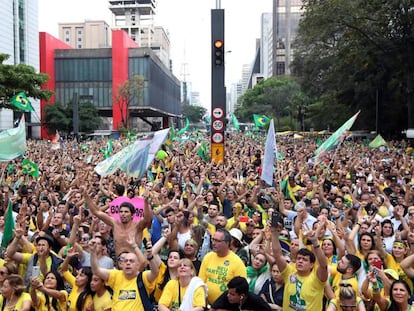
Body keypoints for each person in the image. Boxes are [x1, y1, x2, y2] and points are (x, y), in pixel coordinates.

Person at [271, 215, 328, 310]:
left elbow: (323, 265)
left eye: (305, 260)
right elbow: (278, 255)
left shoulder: (317, 278)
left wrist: (315, 242)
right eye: (299, 258)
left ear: (311, 265)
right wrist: (274, 233)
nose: (300, 261)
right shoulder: (289, 273)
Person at [90, 238, 159, 311]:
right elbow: (96, 271)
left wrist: (150, 256)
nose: (128, 263)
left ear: (138, 265)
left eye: (131, 261)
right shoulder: (116, 275)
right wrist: (92, 253)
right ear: (121, 264)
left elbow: (155, 272)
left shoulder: (143, 277)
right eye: (125, 261)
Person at [198, 229, 247, 305]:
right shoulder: (208, 257)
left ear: (227, 243)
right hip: (206, 304)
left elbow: (241, 290)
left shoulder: (237, 262)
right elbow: (200, 282)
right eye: (213, 239)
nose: (213, 243)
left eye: (217, 241)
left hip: (227, 306)